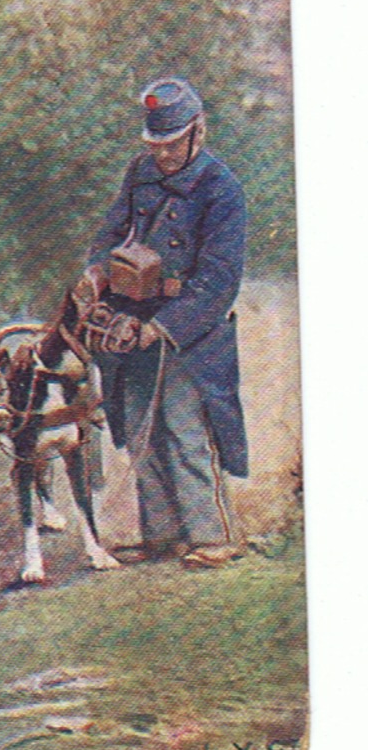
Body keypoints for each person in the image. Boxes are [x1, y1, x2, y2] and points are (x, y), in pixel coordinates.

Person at [84, 77, 248, 570]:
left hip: (188, 331)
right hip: (131, 321)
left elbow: (219, 281)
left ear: (199, 131)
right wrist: (96, 273)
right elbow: (112, 232)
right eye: (157, 145)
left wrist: (163, 326)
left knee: (183, 430)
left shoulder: (222, 189)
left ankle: (213, 535)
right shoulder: (140, 172)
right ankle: (162, 536)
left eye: (174, 144)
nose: (165, 155)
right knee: (139, 429)